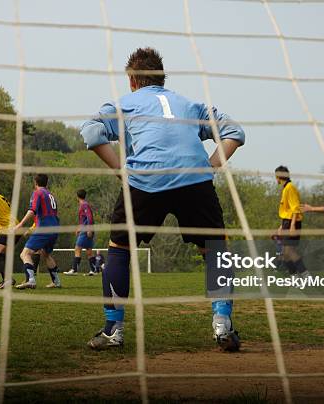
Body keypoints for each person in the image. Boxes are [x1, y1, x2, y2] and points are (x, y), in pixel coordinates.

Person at [80, 47, 245, 351]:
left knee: (119, 248)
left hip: (145, 178)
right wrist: (212, 165)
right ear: (162, 79)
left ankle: (113, 330)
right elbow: (234, 131)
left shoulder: (125, 104)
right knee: (215, 248)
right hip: (195, 180)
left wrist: (120, 171)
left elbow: (91, 134)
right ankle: (223, 326)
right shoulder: (189, 104)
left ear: (132, 80)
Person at [14, 174, 61, 289]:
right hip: (55, 227)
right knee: (46, 254)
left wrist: (20, 224)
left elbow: (32, 211)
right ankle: (56, 282)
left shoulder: (37, 193)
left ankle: (31, 280)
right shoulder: (50, 195)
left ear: (35, 183)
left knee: (25, 254)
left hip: (44, 228)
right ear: (46, 183)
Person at [275, 166, 308, 277]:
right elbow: (287, 210)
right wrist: (282, 225)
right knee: (285, 252)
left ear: (279, 176)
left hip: (292, 222)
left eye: (276, 176)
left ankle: (306, 275)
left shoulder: (290, 187)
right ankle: (294, 277)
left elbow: (295, 208)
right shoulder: (285, 188)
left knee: (289, 251)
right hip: (286, 222)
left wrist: (292, 225)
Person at [64, 189, 95, 275]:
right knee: (89, 251)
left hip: (86, 230)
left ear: (77, 197)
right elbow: (84, 219)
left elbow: (89, 218)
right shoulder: (84, 204)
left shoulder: (84, 205)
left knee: (77, 248)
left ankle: (74, 270)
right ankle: (94, 270)